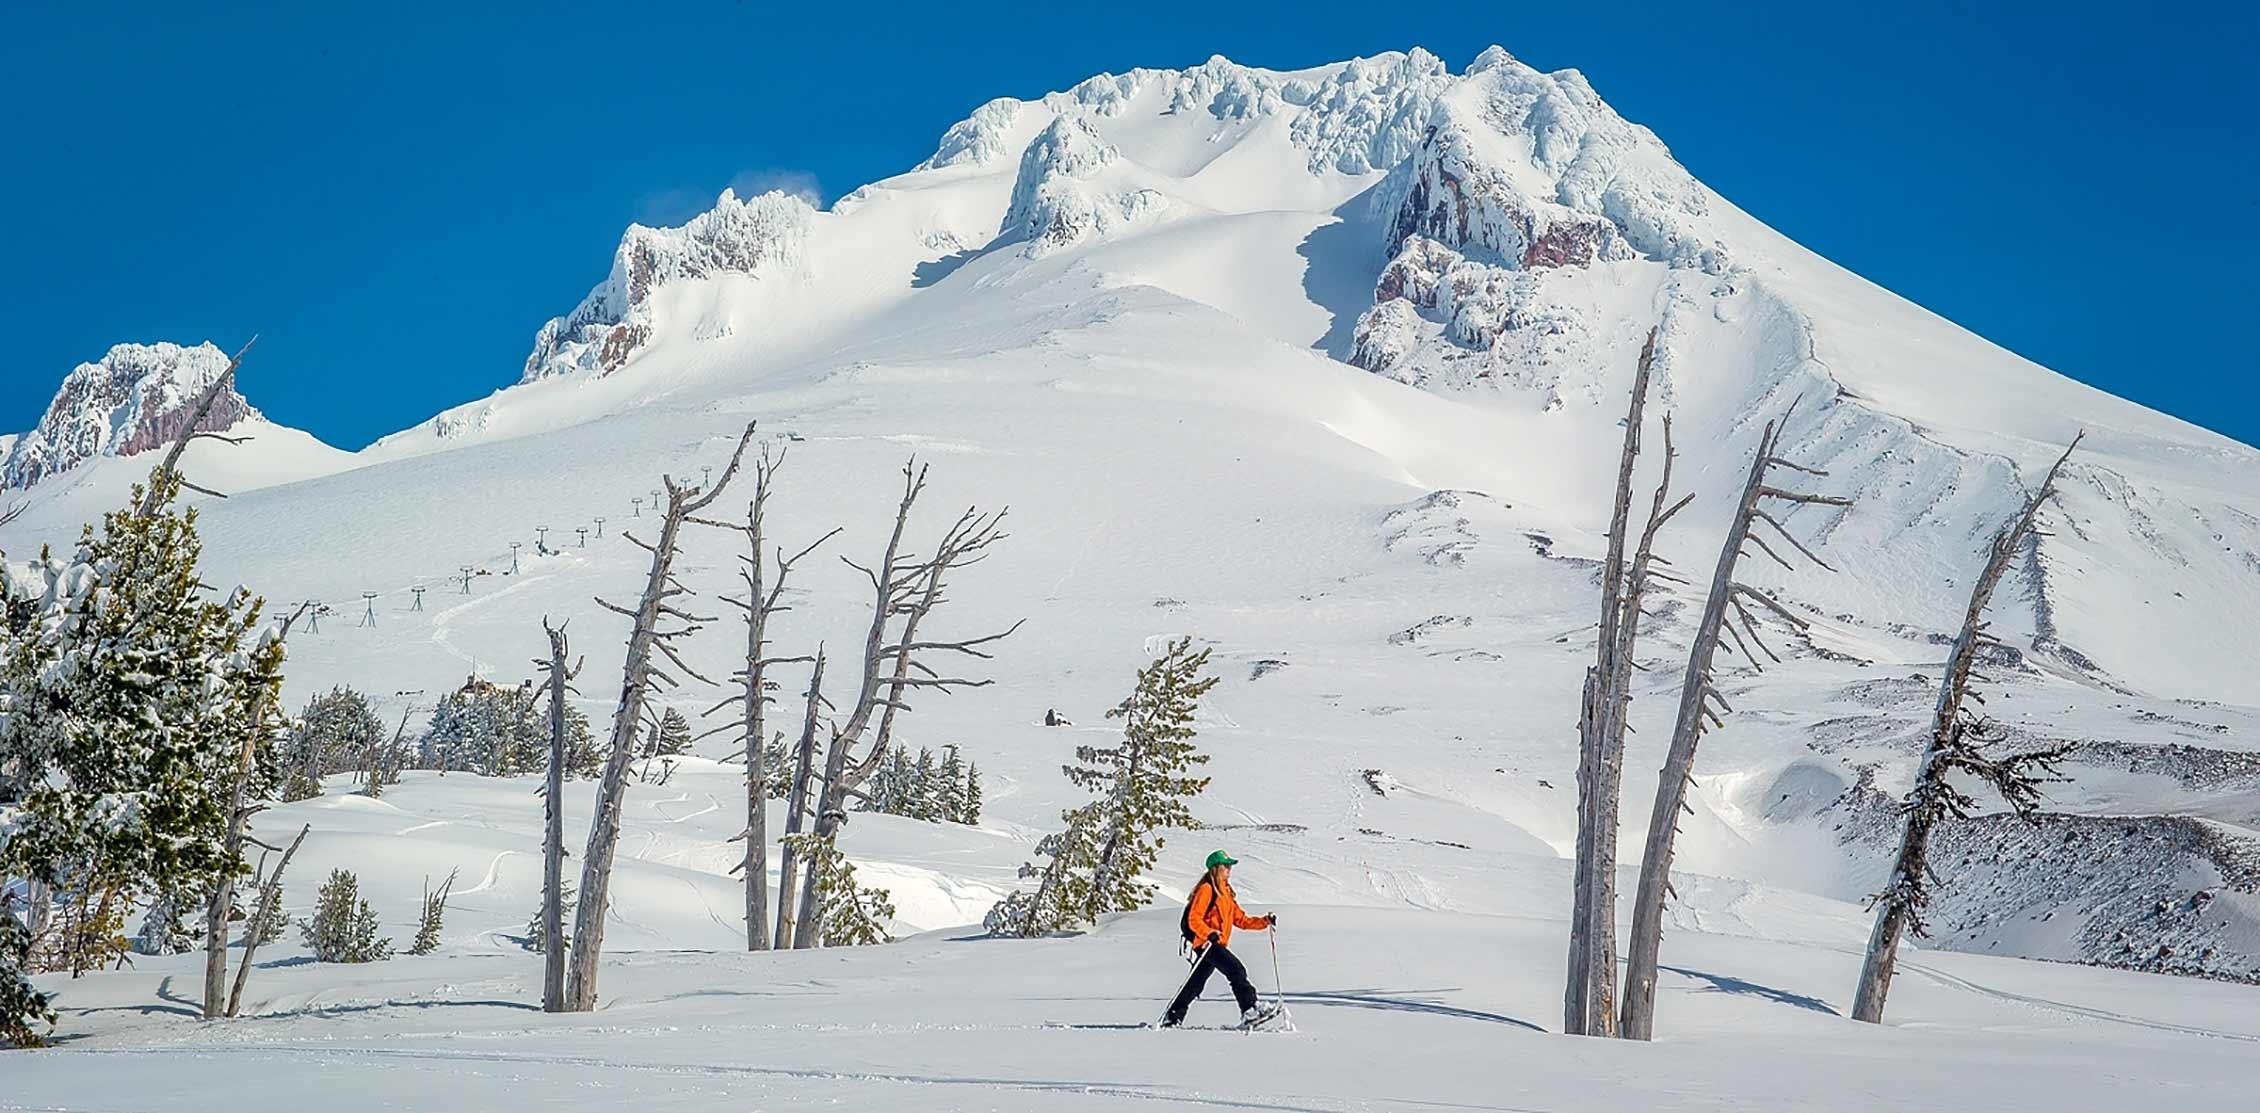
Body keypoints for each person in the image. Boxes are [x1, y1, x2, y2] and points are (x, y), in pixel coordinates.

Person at [1162, 850, 1279, 1028]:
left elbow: (1241, 919)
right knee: (1236, 970)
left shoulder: (1226, 892)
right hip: (1206, 943)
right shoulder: (1206, 889)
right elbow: (1194, 919)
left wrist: (1264, 922)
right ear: (1216, 868)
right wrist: (1209, 933)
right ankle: (1249, 1009)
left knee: (1196, 983)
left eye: (1230, 866)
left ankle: (1173, 1017)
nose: (1229, 870)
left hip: (1216, 943)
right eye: (1226, 866)